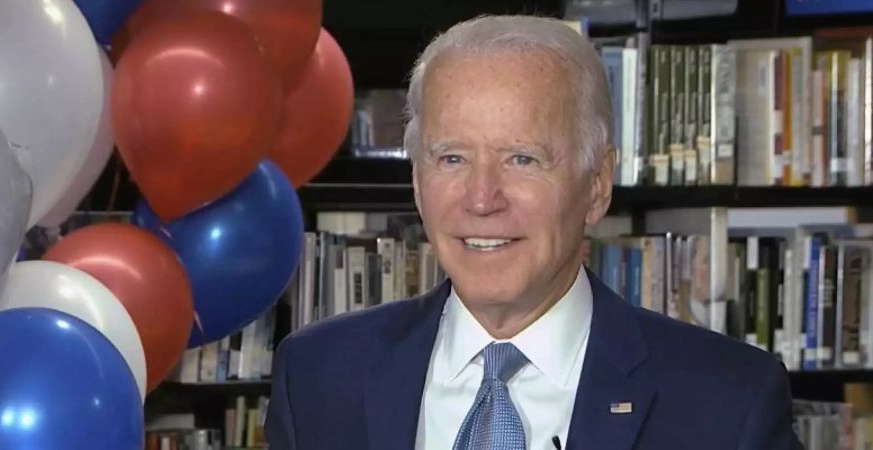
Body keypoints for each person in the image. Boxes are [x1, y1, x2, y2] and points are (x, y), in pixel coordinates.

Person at [265, 15, 802, 450]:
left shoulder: (729, 402)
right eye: (451, 158)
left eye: (522, 159)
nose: (481, 199)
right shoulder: (316, 376)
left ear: (596, 185)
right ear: (417, 181)